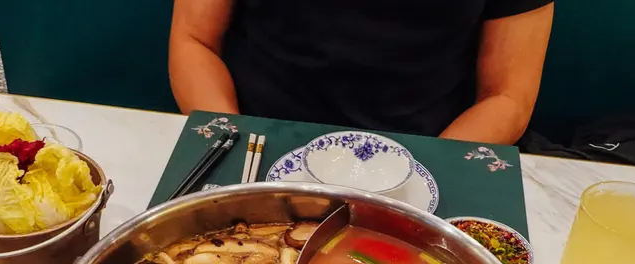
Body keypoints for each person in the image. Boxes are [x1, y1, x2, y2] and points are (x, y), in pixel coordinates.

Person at [169, 0, 554, 145]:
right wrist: (231, 141)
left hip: (430, 148)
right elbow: (194, 40)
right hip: (253, 137)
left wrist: (426, 174)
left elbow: (508, 96)